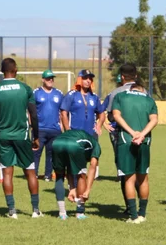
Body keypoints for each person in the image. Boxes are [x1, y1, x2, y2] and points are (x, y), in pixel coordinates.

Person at [0, 58, 41, 219]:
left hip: (3, 136)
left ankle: (12, 210)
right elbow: (33, 114)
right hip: (22, 135)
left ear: (2, 72)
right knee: (30, 172)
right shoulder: (25, 88)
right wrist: (36, 136)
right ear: (15, 70)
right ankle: (35, 210)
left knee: (7, 173)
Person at [112, 81, 159, 223]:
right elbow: (154, 120)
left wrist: (133, 133)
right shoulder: (149, 99)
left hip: (126, 140)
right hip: (144, 141)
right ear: (142, 90)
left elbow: (116, 116)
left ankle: (133, 216)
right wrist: (142, 134)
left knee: (129, 179)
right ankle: (142, 214)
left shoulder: (120, 96)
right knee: (143, 177)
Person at [103, 64, 139, 213]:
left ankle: (129, 207)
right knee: (140, 170)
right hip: (142, 134)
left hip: (121, 134)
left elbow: (111, 115)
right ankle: (142, 208)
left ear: (122, 77)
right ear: (135, 76)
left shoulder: (115, 92)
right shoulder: (144, 92)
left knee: (124, 170)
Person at [52, 130, 101, 220]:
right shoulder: (96, 146)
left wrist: (72, 188)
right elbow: (93, 166)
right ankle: (80, 212)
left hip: (56, 142)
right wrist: (87, 190)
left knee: (59, 176)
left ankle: (62, 213)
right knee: (81, 175)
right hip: (74, 144)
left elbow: (70, 166)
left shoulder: (83, 138)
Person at [33, 69, 63, 181]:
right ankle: (34, 174)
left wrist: (62, 126)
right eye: (48, 78)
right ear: (43, 79)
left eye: (52, 78)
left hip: (55, 129)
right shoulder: (36, 92)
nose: (50, 80)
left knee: (52, 154)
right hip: (40, 129)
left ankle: (48, 175)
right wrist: (32, 126)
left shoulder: (59, 94)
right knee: (36, 153)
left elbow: (63, 112)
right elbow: (30, 111)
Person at [60, 69, 104, 136]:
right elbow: (63, 113)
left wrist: (99, 126)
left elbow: (102, 114)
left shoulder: (94, 96)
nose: (88, 81)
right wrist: (68, 130)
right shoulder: (72, 95)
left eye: (90, 79)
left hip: (91, 135)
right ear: (80, 80)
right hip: (75, 134)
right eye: (85, 78)